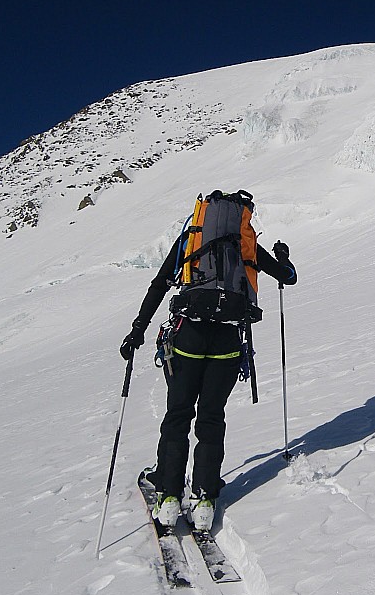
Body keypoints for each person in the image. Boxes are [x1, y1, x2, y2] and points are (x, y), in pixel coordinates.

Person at [119, 194, 297, 531]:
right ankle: (204, 497)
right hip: (229, 340)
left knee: (178, 414)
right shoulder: (246, 247)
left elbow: (160, 284)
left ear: (205, 217)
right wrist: (283, 257)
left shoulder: (191, 241)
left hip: (189, 336)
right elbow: (288, 277)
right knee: (212, 417)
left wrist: (137, 330)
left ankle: (169, 495)